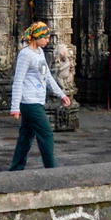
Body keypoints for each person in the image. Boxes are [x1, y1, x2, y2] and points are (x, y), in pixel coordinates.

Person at [8, 21, 71, 170]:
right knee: (46, 133)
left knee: (26, 136)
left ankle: (16, 167)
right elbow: (18, 80)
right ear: (36, 37)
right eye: (45, 37)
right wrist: (15, 107)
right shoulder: (25, 54)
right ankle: (51, 167)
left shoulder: (40, 52)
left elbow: (47, 76)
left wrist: (61, 94)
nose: (47, 40)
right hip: (29, 101)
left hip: (37, 99)